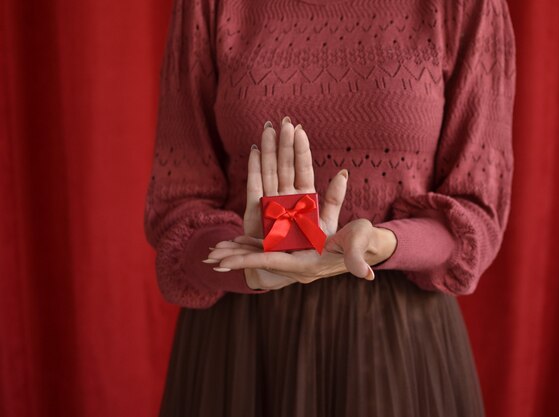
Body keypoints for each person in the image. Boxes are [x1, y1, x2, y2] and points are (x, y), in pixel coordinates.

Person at [143, 0, 516, 415]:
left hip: (397, 346)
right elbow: (180, 209)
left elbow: (475, 211)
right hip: (244, 346)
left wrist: (385, 243)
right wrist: (248, 261)